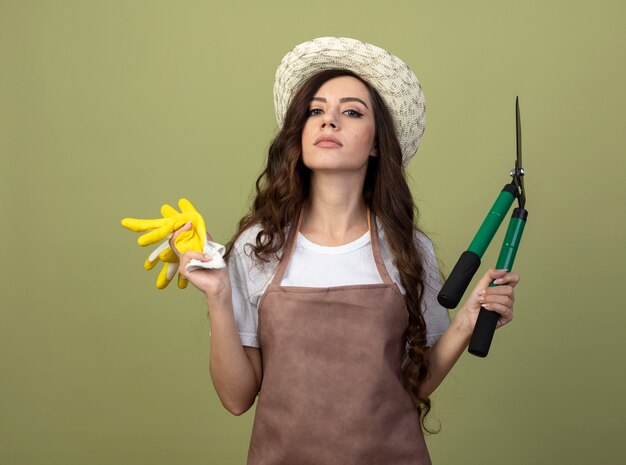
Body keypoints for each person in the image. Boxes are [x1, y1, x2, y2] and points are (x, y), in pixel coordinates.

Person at [170, 37, 519, 465]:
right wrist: (218, 297)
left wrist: (467, 321)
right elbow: (237, 398)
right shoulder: (258, 247)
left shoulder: (407, 248)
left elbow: (412, 386)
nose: (328, 122)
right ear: (299, 133)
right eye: (315, 111)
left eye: (351, 112)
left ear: (376, 143)